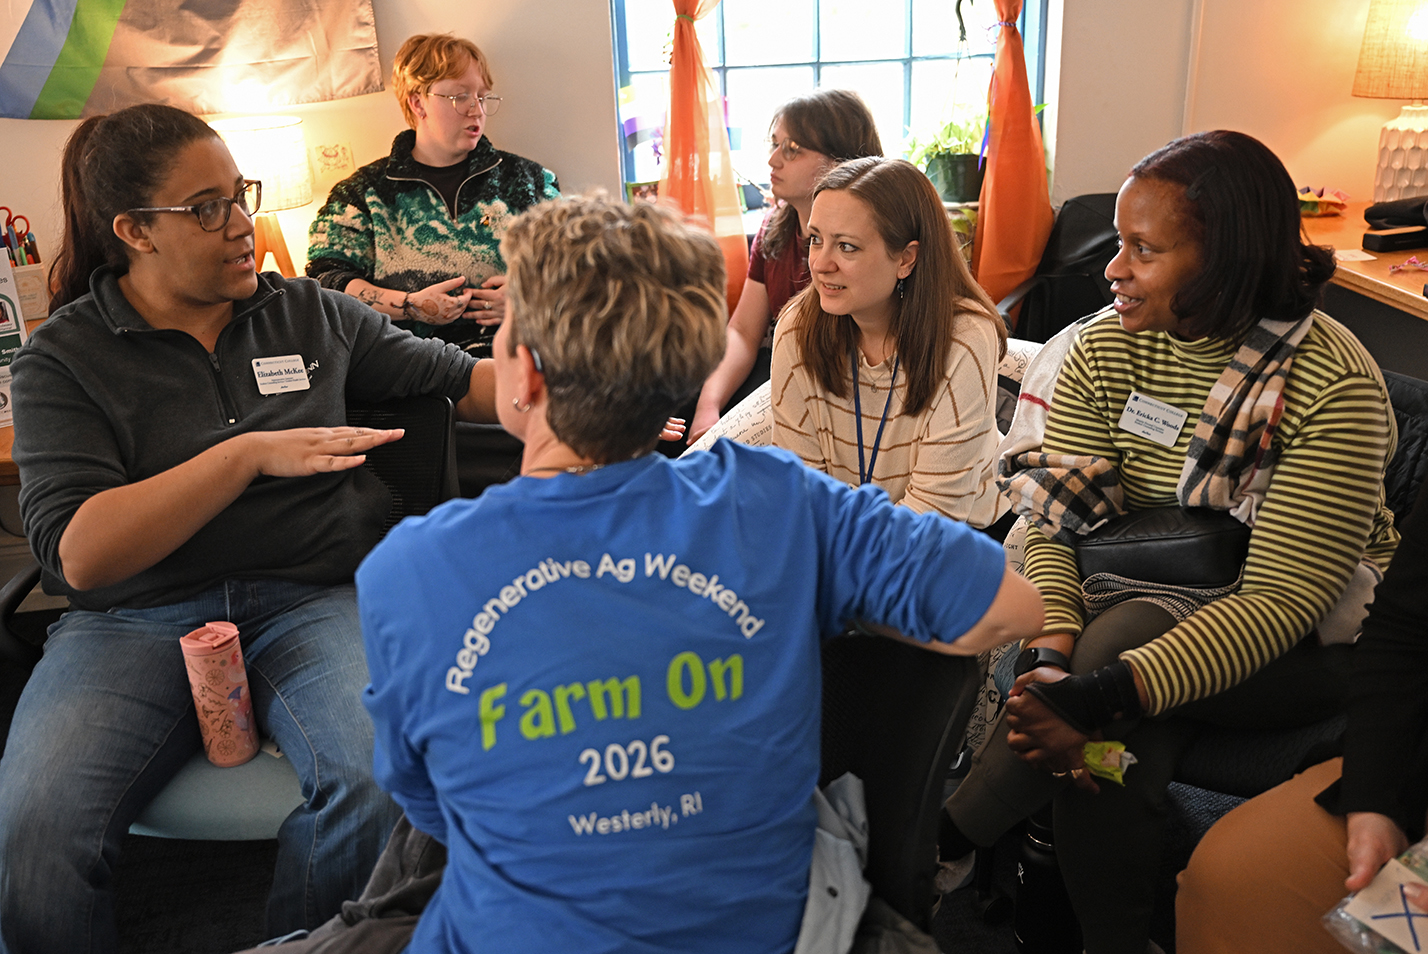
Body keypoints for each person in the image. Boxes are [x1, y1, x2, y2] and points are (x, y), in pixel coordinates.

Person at [354, 193, 1044, 953]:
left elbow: (433, 812)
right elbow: (1013, 608)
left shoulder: (407, 570)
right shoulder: (777, 504)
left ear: (529, 375)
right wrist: (795, 609)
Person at [1, 102, 505, 954]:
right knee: (35, 831)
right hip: (134, 619)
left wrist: (583, 384)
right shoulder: (64, 359)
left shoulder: (310, 313)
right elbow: (79, 554)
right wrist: (245, 457)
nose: (242, 225)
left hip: (312, 596)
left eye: (240, 195)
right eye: (207, 208)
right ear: (135, 231)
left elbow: (466, 382)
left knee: (379, 782)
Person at [938, 130, 1399, 954]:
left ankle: (941, 843)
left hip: (1313, 640)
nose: (1112, 269)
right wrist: (1052, 656)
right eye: (1119, 242)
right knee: (1118, 735)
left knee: (1115, 660)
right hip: (1136, 598)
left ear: (1224, 260)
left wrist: (1097, 692)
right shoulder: (1103, 345)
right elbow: (1058, 522)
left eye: (1143, 250)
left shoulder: (1333, 387)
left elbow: (1281, 602)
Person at [1175, 474, 1428, 954]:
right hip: (1414, 749)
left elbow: (1292, 597)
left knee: (1116, 699)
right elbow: (1405, 628)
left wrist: (1111, 691)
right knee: (1233, 877)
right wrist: (1374, 799)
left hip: (1301, 624)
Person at [769, 156, 1011, 533]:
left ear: (906, 259)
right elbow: (799, 493)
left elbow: (935, 518)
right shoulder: (796, 329)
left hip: (963, 536)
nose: (821, 264)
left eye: (846, 247)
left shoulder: (963, 339)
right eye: (816, 239)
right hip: (846, 536)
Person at [305, 33, 560, 358]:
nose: (477, 110)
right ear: (418, 102)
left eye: (482, 97)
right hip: (409, 365)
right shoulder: (362, 195)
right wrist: (409, 305)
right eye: (460, 96)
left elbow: (577, 268)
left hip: (511, 360)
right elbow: (326, 280)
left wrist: (527, 299)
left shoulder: (529, 182)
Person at [686, 89, 882, 444]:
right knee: (675, 413)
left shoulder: (869, 240)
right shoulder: (774, 227)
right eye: (775, 144)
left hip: (836, 391)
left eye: (792, 149)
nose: (773, 160)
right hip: (775, 368)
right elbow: (743, 331)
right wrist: (708, 405)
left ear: (840, 162)